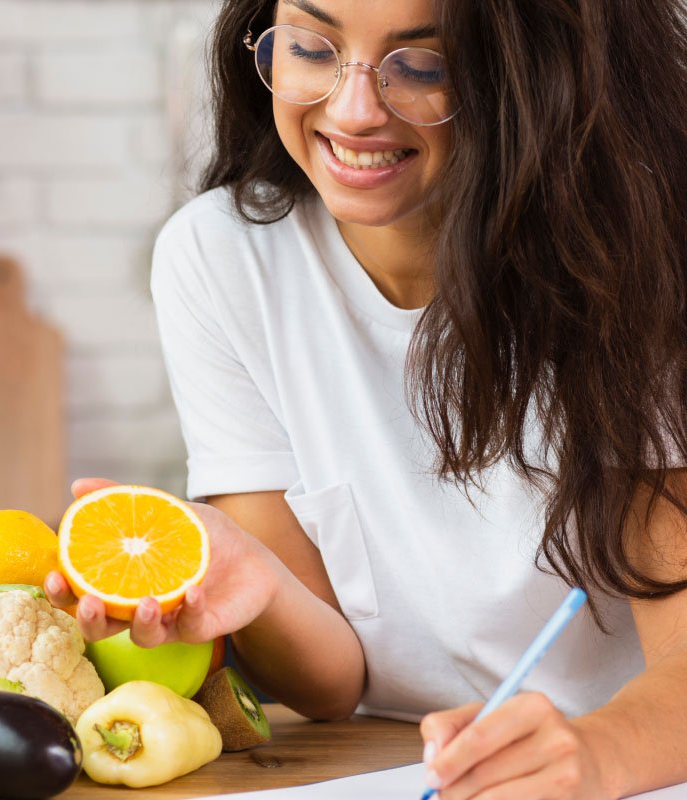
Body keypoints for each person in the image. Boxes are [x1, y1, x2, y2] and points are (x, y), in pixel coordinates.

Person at [43, 0, 687, 797]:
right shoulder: (219, 258)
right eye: (312, 49)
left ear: (538, 78)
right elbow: (333, 683)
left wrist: (593, 755)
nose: (353, 112)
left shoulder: (639, 263)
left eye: (424, 65)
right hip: (388, 764)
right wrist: (257, 581)